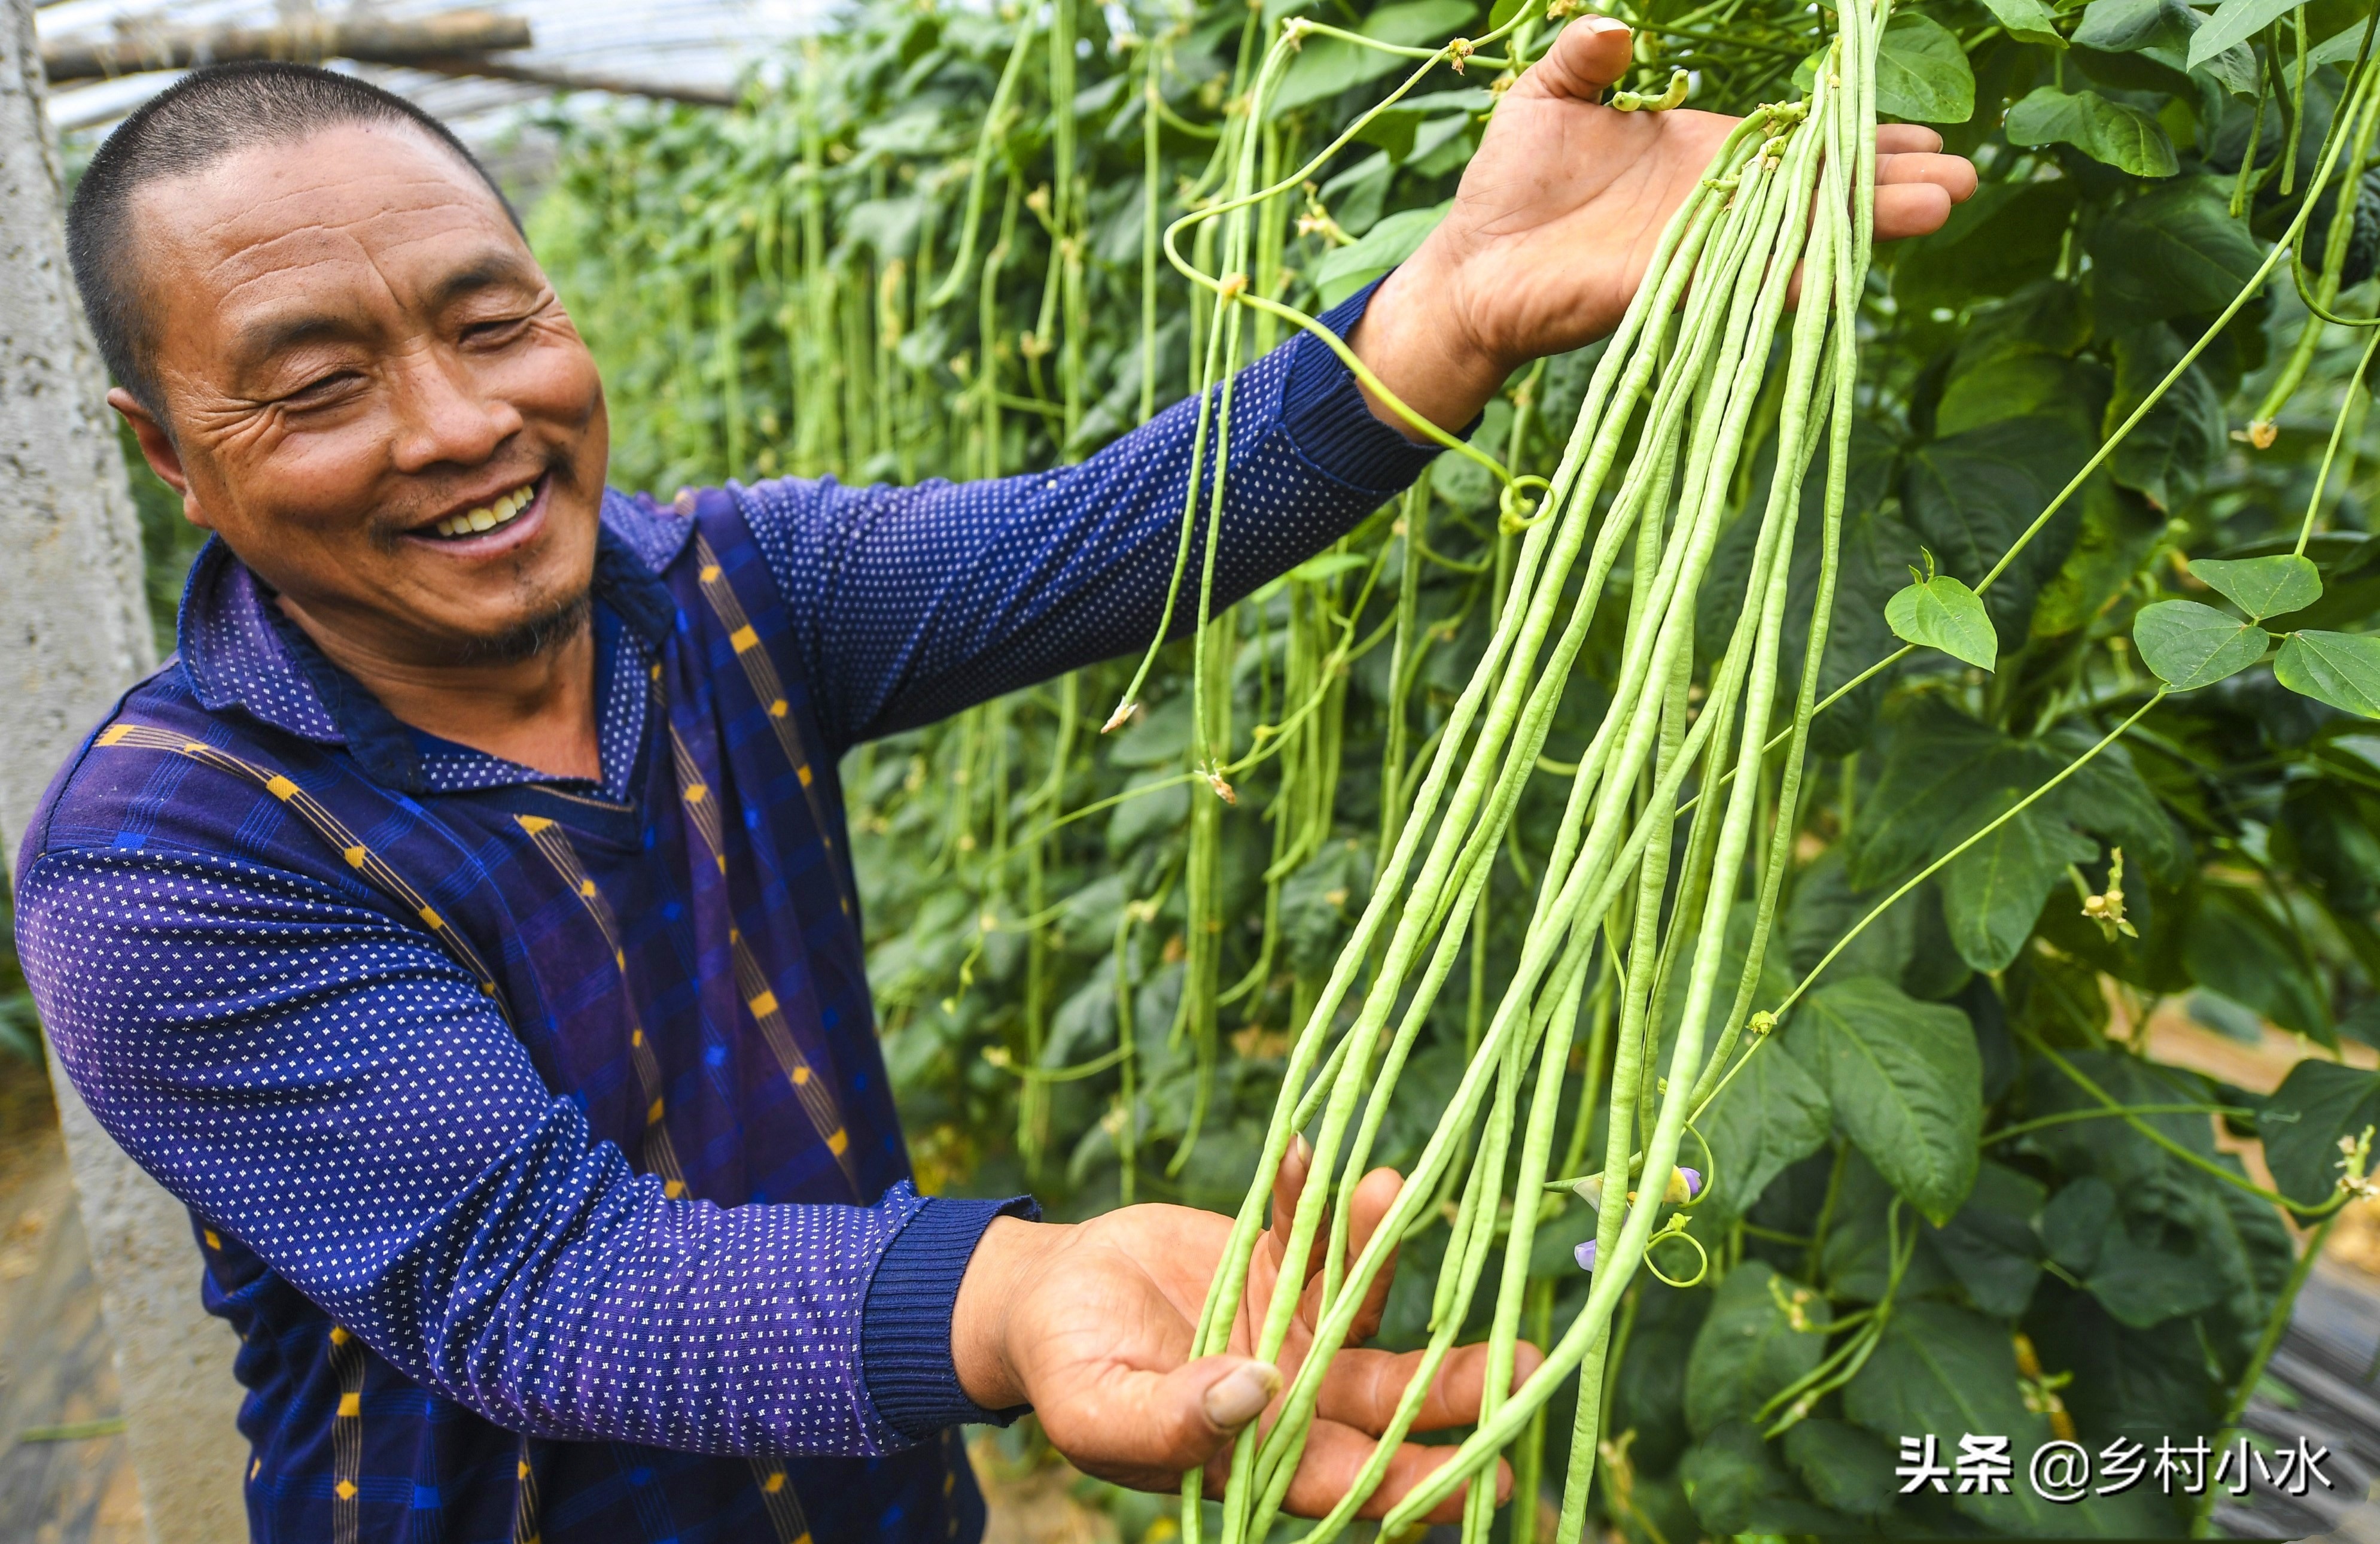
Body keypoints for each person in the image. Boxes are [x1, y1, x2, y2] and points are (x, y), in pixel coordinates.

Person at [13, 19, 1973, 1543]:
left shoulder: (726, 598)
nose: (460, 424)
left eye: (490, 316)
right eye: (318, 378)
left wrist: (1443, 311)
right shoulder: (164, 862)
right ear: (168, 449)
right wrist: (1015, 1292)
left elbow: (1110, 532)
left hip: (875, 1492)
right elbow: (546, 1280)